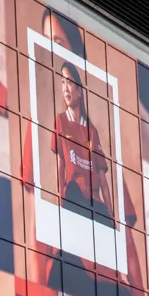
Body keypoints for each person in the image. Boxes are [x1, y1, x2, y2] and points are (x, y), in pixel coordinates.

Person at [51, 62, 114, 220]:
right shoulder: (61, 120)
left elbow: (102, 181)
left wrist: (111, 217)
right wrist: (60, 202)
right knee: (72, 189)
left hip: (93, 201)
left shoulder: (91, 131)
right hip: (74, 196)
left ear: (79, 91)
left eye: (70, 82)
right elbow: (61, 165)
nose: (65, 88)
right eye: (62, 82)